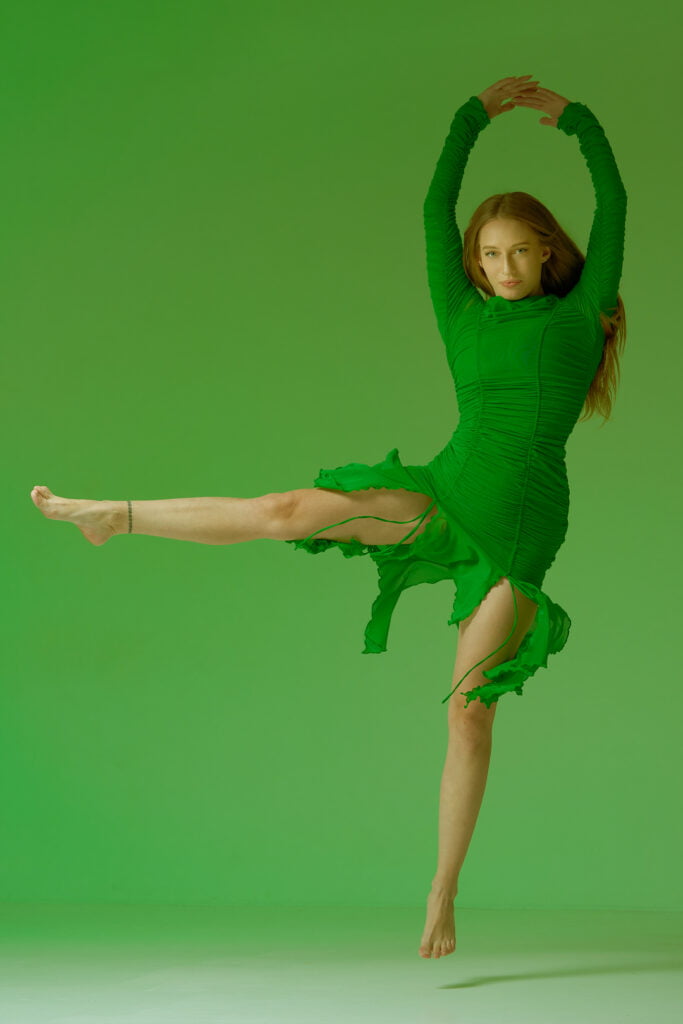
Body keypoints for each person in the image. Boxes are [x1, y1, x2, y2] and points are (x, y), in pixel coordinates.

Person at [29, 75, 627, 960]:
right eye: (486, 255)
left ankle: (440, 892)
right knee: (282, 509)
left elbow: (614, 197)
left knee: (468, 712)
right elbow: (433, 211)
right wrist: (468, 118)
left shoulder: (580, 314)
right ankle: (114, 515)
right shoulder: (458, 312)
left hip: (521, 527)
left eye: (515, 252)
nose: (499, 268)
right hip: (446, 488)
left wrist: (572, 120)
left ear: (546, 252)